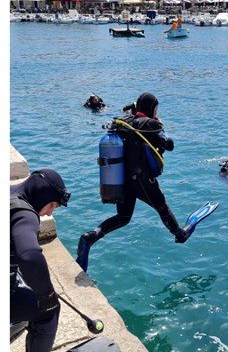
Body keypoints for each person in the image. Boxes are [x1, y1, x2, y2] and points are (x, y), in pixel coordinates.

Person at [76, 93, 186, 272]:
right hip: (142, 180)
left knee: (123, 218)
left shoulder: (125, 122)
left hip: (122, 179)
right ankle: (179, 233)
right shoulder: (151, 124)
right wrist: (160, 124)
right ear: (151, 108)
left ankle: (90, 237)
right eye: (156, 108)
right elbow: (169, 144)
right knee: (162, 207)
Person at [10, 169, 71, 352]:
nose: (48, 214)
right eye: (52, 205)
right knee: (49, 309)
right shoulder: (25, 215)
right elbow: (29, 257)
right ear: (43, 196)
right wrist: (47, 295)